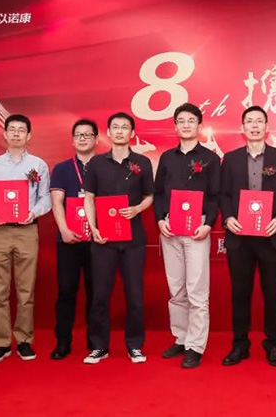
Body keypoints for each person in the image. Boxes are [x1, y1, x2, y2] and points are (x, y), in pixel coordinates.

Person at [219, 106, 276, 367]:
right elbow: (223, 194)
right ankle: (240, 345)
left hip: (270, 236)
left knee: (272, 294)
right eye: (249, 121)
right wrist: (228, 217)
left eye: (259, 121)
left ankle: (273, 345)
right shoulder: (230, 159)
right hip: (239, 237)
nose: (254, 125)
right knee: (240, 294)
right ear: (243, 128)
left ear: (266, 127)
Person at [81, 112, 154, 365]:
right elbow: (89, 197)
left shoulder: (142, 162)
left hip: (133, 240)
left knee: (135, 295)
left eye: (125, 127)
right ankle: (99, 346)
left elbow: (149, 196)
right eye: (115, 127)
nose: (120, 131)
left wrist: (137, 209)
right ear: (109, 132)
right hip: (103, 240)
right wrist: (93, 227)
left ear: (132, 133)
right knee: (100, 295)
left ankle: (134, 345)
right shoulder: (96, 163)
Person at [0, 114, 51, 362]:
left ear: (29, 136)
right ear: (5, 134)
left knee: (25, 289)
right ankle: (1, 342)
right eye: (12, 129)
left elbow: (45, 197)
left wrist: (34, 213)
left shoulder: (39, 165)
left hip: (27, 230)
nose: (17, 134)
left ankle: (24, 340)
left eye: (22, 130)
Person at [154, 103, 221, 369]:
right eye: (180, 121)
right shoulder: (167, 158)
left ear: (199, 125)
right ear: (175, 126)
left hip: (197, 230)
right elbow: (159, 192)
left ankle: (195, 345)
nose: (185, 125)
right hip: (170, 229)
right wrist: (160, 220)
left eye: (191, 120)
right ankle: (180, 338)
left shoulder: (210, 158)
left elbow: (215, 195)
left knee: (197, 290)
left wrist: (209, 224)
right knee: (176, 290)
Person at [48, 119, 98, 360]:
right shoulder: (62, 169)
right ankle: (63, 342)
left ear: (96, 139)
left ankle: (95, 341)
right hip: (68, 240)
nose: (82, 139)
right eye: (78, 135)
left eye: (87, 135)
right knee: (66, 291)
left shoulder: (104, 166)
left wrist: (98, 230)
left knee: (96, 292)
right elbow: (56, 202)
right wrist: (64, 230)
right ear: (72, 140)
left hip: (97, 241)